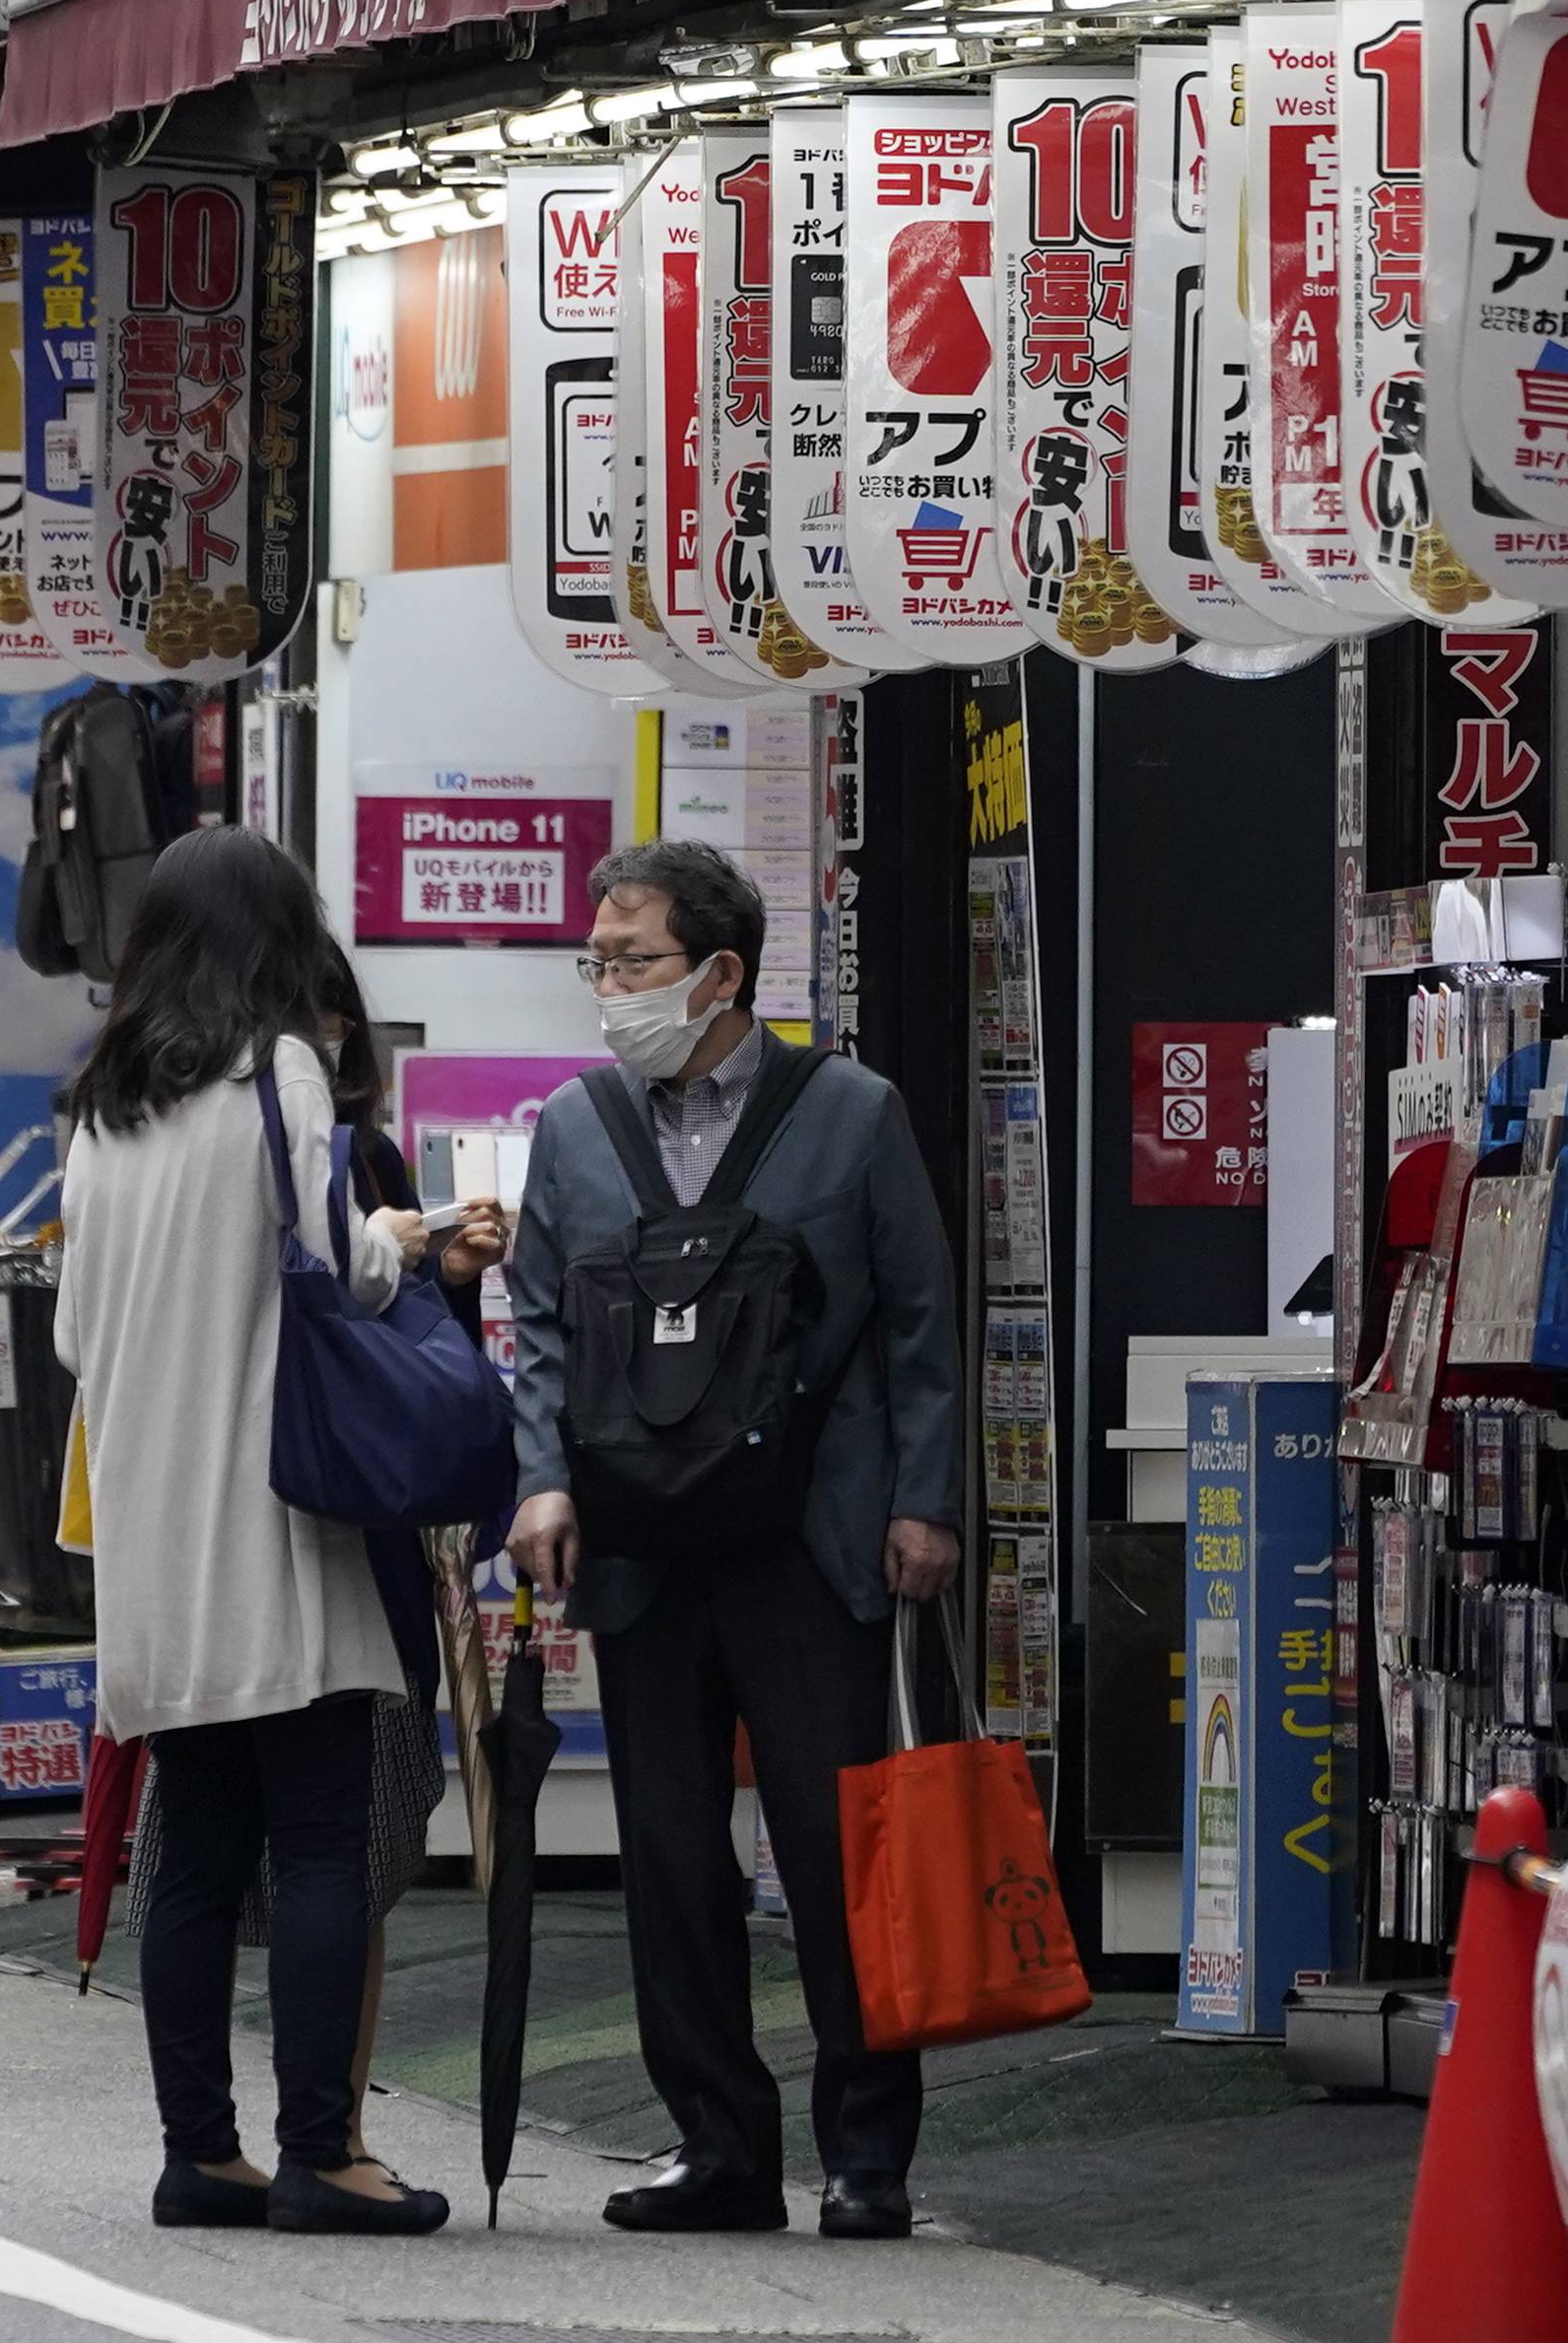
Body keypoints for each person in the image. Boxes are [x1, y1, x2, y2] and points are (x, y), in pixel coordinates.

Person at [502, 840, 963, 2242]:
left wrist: (924, 1497)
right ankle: (718, 2142)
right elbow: (531, 1318)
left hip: (811, 1537)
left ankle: (867, 2152)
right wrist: (538, 1480)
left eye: (631, 959)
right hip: (638, 1545)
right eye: (596, 960)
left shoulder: (852, 1110)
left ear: (721, 972)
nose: (608, 985)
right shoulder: (578, 1126)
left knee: (836, 1850)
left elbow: (920, 1318)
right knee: (671, 1853)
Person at [50, 828, 482, 2238]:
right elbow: (338, 1265)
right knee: (317, 1844)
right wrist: (415, 1237)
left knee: (194, 1853)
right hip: (272, 1511)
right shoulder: (274, 1069)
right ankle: (322, 2150)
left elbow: (68, 1327)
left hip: (152, 1524)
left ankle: (200, 2150)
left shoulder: (102, 1100)